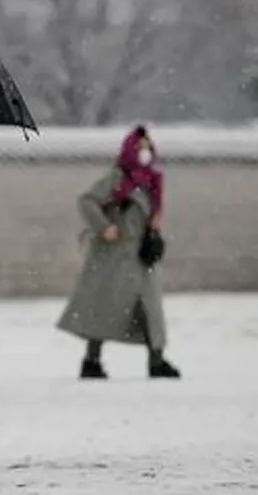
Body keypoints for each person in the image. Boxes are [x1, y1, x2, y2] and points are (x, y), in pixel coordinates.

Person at [57, 125, 181, 380]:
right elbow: (87, 201)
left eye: (148, 148)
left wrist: (154, 225)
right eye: (141, 148)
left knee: (150, 309)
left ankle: (156, 360)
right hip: (113, 257)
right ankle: (92, 360)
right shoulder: (117, 178)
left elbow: (149, 212)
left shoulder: (152, 182)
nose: (145, 153)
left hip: (141, 256)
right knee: (104, 308)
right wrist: (104, 227)